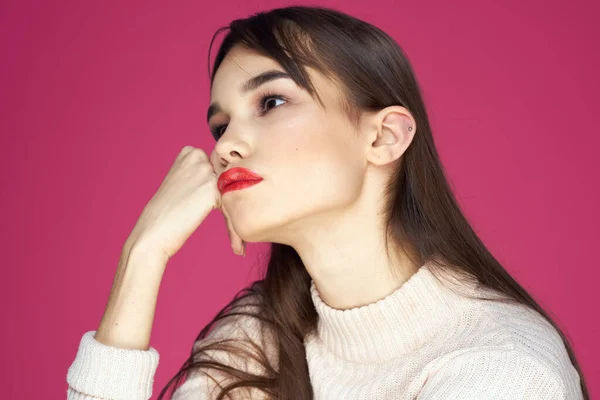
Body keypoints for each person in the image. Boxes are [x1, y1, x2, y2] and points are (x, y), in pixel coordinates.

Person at [66, 5, 588, 400]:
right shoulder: (255, 339)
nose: (225, 147)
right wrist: (143, 255)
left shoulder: (502, 370)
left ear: (383, 138)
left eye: (271, 102)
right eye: (220, 125)